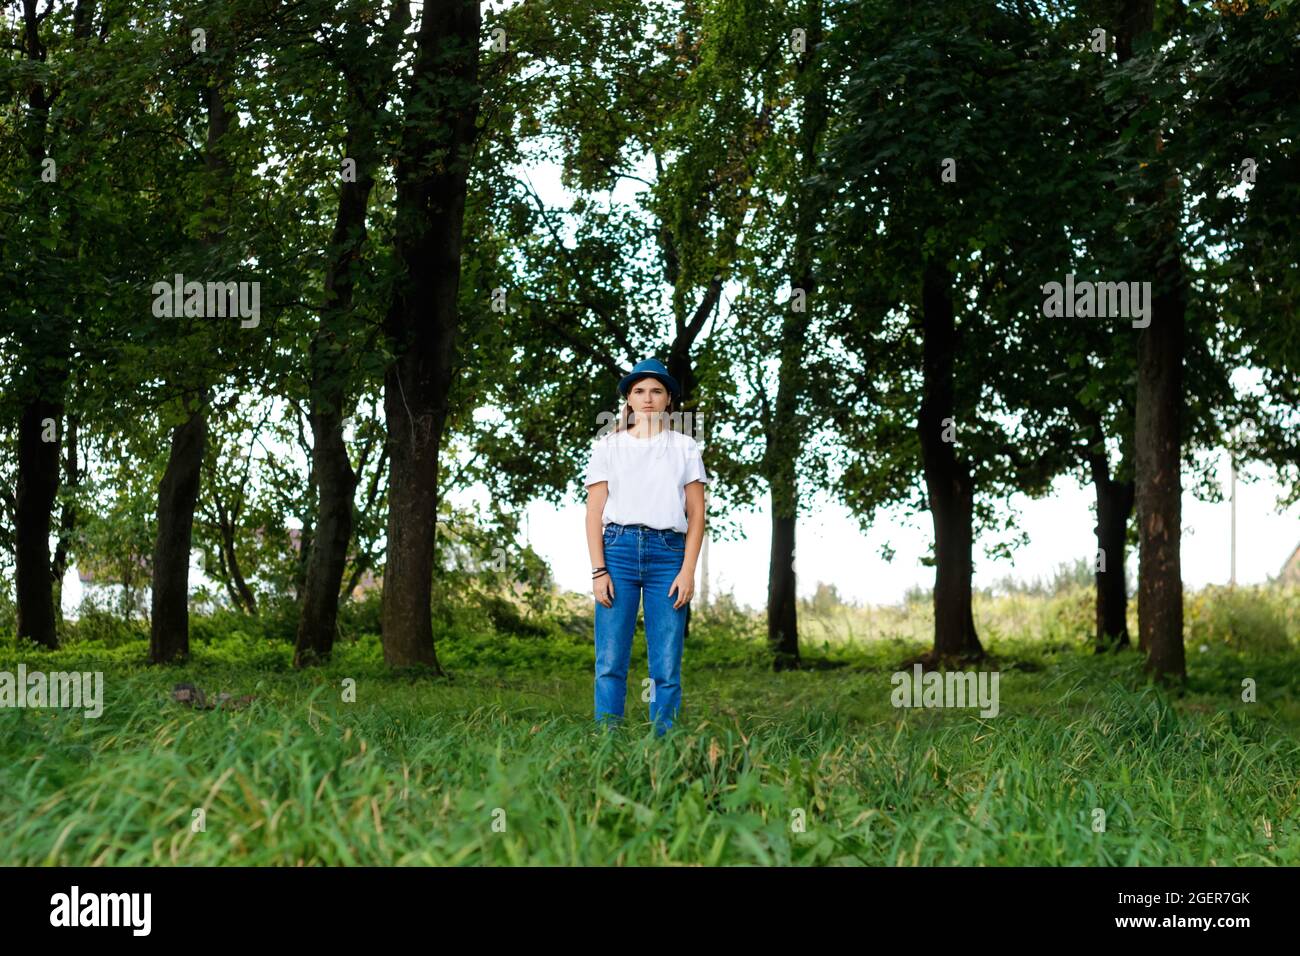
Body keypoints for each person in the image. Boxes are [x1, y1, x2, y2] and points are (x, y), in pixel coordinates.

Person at [582, 358, 708, 736]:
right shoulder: (608, 447)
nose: (648, 398)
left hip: (668, 553)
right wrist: (598, 570)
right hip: (617, 551)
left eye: (656, 391)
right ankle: (608, 740)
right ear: (629, 399)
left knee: (666, 663)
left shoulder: (685, 447)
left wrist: (688, 571)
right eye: (639, 391)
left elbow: (697, 514)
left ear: (668, 398)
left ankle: (663, 743)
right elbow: (593, 514)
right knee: (609, 659)